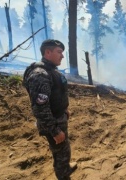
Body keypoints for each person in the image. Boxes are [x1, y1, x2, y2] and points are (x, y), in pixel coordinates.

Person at [23, 39, 77, 180]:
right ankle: (64, 175)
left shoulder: (50, 70)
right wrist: (54, 130)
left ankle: (65, 167)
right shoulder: (40, 75)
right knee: (60, 151)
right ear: (48, 52)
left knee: (63, 149)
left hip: (58, 117)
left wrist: (63, 109)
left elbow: (54, 95)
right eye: (59, 52)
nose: (62, 56)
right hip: (53, 122)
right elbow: (40, 108)